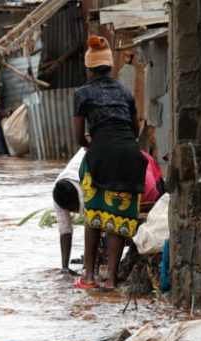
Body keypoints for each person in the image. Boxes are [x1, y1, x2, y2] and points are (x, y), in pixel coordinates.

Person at [71, 35, 148, 290]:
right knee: (117, 222)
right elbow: (136, 131)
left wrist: (94, 144)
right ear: (109, 65)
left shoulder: (83, 94)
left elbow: (78, 137)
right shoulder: (125, 92)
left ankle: (90, 277)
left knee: (94, 218)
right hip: (129, 156)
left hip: (100, 156)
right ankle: (113, 281)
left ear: (89, 68)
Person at [53, 148, 164, 275]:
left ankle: (108, 273)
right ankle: (103, 271)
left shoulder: (91, 183)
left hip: (141, 169)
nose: (76, 212)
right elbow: (64, 229)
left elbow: (96, 223)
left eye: (75, 209)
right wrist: (65, 268)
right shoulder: (59, 193)